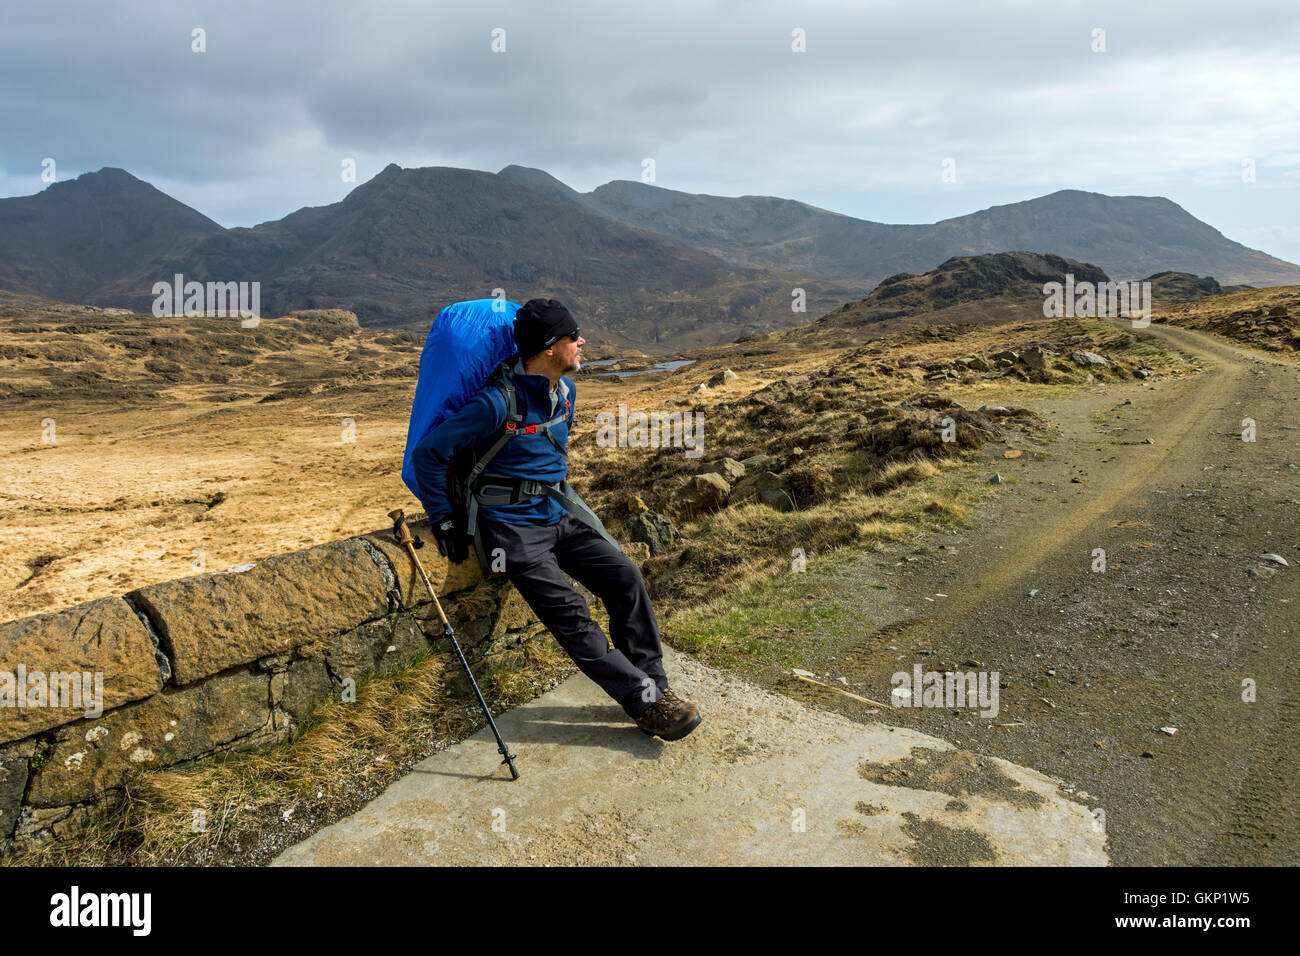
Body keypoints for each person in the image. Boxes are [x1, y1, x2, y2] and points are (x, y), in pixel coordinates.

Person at [410, 298, 702, 740]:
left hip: (558, 516)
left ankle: (656, 690)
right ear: (549, 348)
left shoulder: (565, 394)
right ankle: (643, 703)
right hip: (513, 533)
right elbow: (429, 453)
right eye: (573, 336)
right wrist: (445, 520)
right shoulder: (495, 403)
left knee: (625, 577)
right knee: (574, 618)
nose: (582, 341)